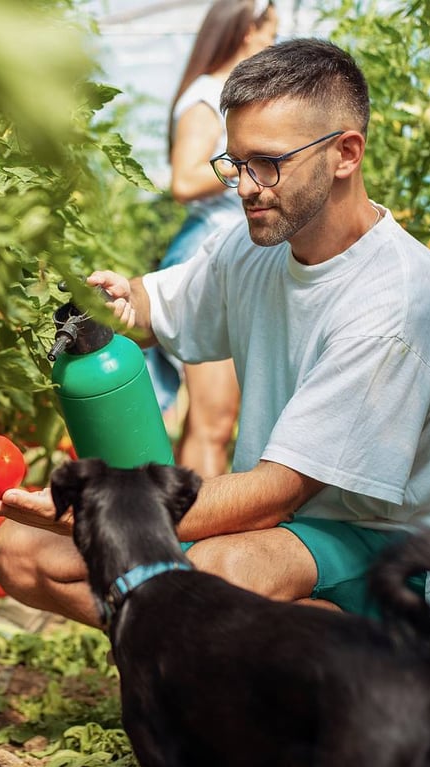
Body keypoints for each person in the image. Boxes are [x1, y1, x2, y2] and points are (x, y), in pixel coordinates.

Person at [0, 38, 430, 630]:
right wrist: (84, 297)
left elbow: (276, 492)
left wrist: (94, 512)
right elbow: (150, 308)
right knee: (21, 551)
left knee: (209, 577)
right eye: (235, 163)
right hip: (279, 532)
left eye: (267, 163)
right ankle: (207, 661)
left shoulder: (392, 301)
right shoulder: (253, 247)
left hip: (391, 556)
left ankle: (372, 670)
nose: (244, 187)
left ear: (345, 153)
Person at [148, 0, 278, 479]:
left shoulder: (228, 96)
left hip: (232, 254)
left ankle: (181, 535)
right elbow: (183, 180)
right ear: (246, 32)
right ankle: (201, 545)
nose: (271, 45)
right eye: (269, 34)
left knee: (212, 420)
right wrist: (257, 161)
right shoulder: (207, 95)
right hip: (209, 253)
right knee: (213, 420)